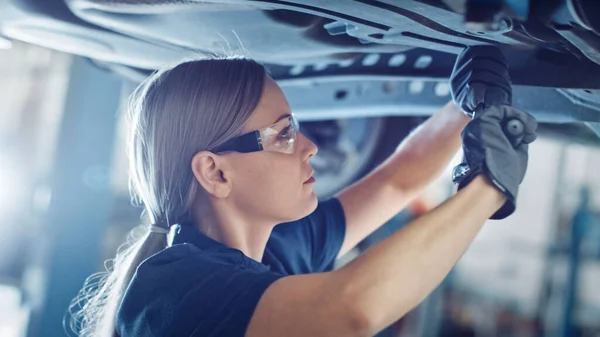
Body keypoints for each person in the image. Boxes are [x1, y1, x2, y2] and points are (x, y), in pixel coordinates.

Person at [69, 46, 537, 337]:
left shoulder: (276, 252)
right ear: (215, 172)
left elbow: (400, 179)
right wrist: (488, 187)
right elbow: (351, 311)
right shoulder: (167, 293)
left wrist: (470, 104)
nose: (310, 148)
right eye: (283, 135)